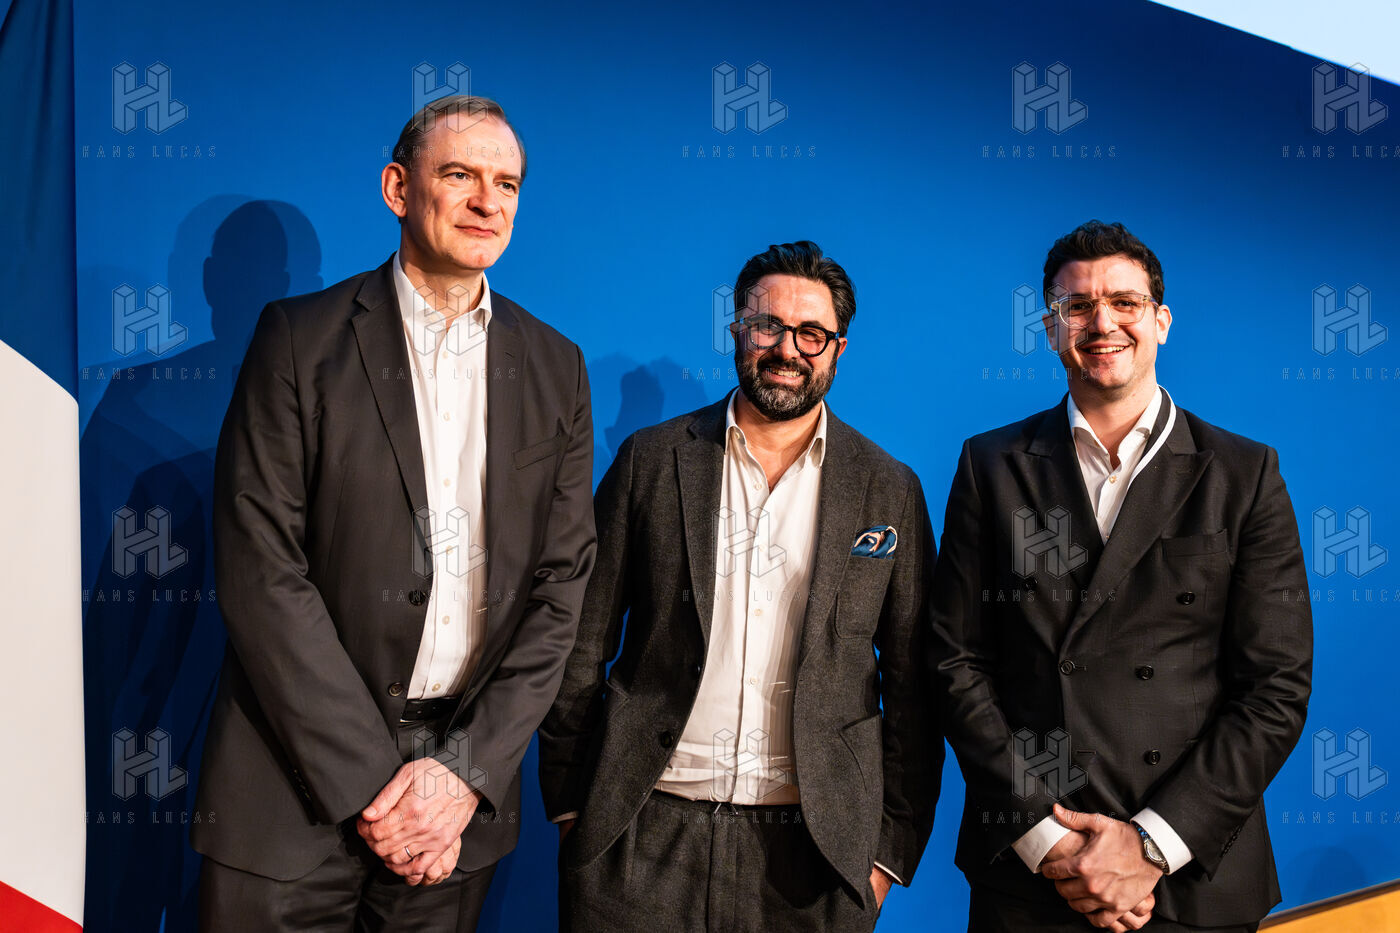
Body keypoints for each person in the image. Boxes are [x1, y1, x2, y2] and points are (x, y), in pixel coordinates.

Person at [191, 94, 596, 931]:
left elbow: (560, 594)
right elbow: (261, 573)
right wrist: (382, 787)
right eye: (461, 175)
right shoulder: (298, 341)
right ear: (398, 188)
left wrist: (459, 776)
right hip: (289, 797)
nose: (488, 202)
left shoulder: (557, 367)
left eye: (507, 184)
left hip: (456, 815)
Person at [539, 241, 941, 932]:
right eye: (767, 325)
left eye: (811, 333)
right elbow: (580, 640)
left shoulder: (889, 489)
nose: (787, 349)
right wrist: (574, 808)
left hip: (815, 855)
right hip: (639, 834)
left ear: (838, 348)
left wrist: (884, 856)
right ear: (736, 330)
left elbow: (915, 687)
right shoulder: (650, 461)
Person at [931, 220, 1312, 932]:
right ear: (1051, 328)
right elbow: (956, 661)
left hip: (1193, 879)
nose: (1102, 322)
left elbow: (1276, 687)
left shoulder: (1244, 473)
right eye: (1077, 306)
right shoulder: (990, 465)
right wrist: (1049, 841)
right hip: (1035, 877)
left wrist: (1148, 846)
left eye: (1125, 302)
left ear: (1161, 320)